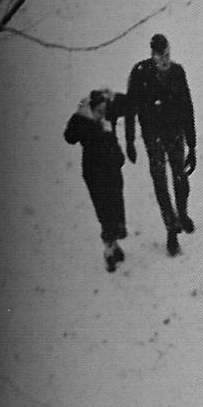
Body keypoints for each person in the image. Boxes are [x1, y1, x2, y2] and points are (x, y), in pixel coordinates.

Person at [120, 34, 198, 255]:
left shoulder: (177, 73)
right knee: (160, 181)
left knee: (180, 177)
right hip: (153, 136)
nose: (164, 60)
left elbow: (187, 107)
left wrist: (192, 145)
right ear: (152, 55)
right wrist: (129, 140)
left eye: (167, 55)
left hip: (175, 134)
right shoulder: (140, 74)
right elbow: (130, 108)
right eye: (160, 56)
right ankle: (171, 229)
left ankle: (182, 213)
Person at [65, 90, 131, 271]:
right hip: (95, 173)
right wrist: (80, 117)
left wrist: (113, 96)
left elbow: (130, 103)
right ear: (91, 109)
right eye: (99, 110)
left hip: (112, 168)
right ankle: (109, 249)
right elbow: (69, 138)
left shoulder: (107, 117)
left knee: (116, 206)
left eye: (104, 109)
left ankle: (114, 243)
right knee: (104, 209)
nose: (102, 113)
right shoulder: (82, 122)